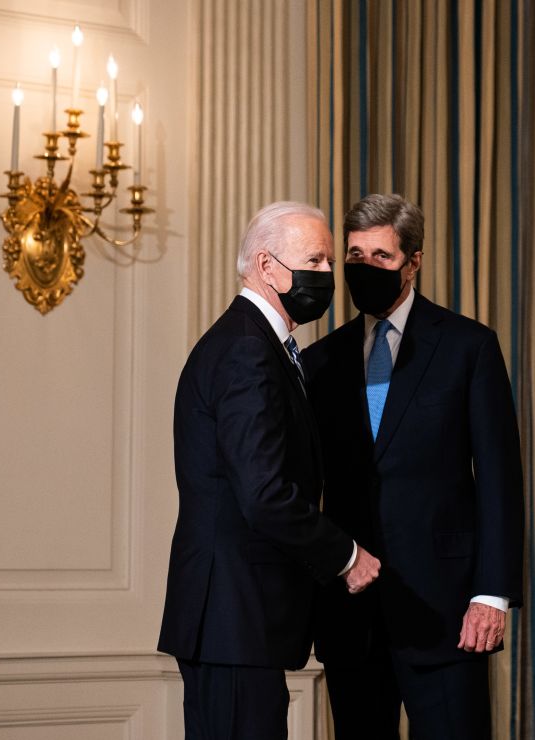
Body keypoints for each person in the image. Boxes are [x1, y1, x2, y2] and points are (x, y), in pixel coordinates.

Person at [302, 194, 524, 739]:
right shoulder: (319, 362)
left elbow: (500, 479)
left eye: (382, 256)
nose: (366, 269)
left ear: (414, 261)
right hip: (352, 615)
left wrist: (491, 594)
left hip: (447, 613)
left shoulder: (469, 347)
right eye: (355, 256)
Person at [158, 202, 382, 739]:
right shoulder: (245, 350)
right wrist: (345, 555)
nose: (329, 275)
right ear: (266, 265)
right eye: (316, 260)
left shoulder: (257, 345)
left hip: (240, 619)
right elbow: (264, 493)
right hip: (233, 614)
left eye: (330, 262)